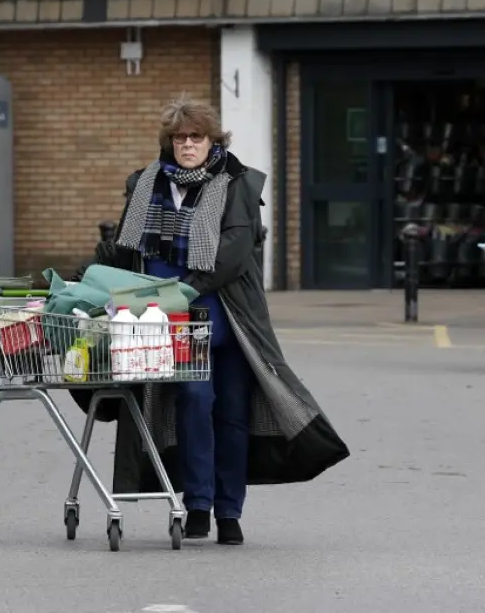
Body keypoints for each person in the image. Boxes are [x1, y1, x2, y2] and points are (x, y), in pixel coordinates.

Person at [74, 95, 349, 546]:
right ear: (169, 142)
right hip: (169, 320)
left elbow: (235, 252)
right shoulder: (146, 184)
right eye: (179, 137)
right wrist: (80, 280)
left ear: (212, 140)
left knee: (234, 415)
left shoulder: (236, 182)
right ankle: (198, 504)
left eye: (196, 137)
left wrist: (185, 287)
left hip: (229, 317)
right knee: (194, 402)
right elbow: (122, 250)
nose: (187, 145)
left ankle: (230, 512)